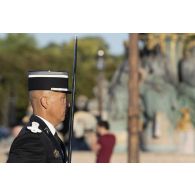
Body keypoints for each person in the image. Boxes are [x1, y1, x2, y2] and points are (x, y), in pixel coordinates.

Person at [7, 70, 71, 163]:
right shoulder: (32, 141)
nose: (68, 104)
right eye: (63, 99)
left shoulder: (46, 135)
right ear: (45, 102)